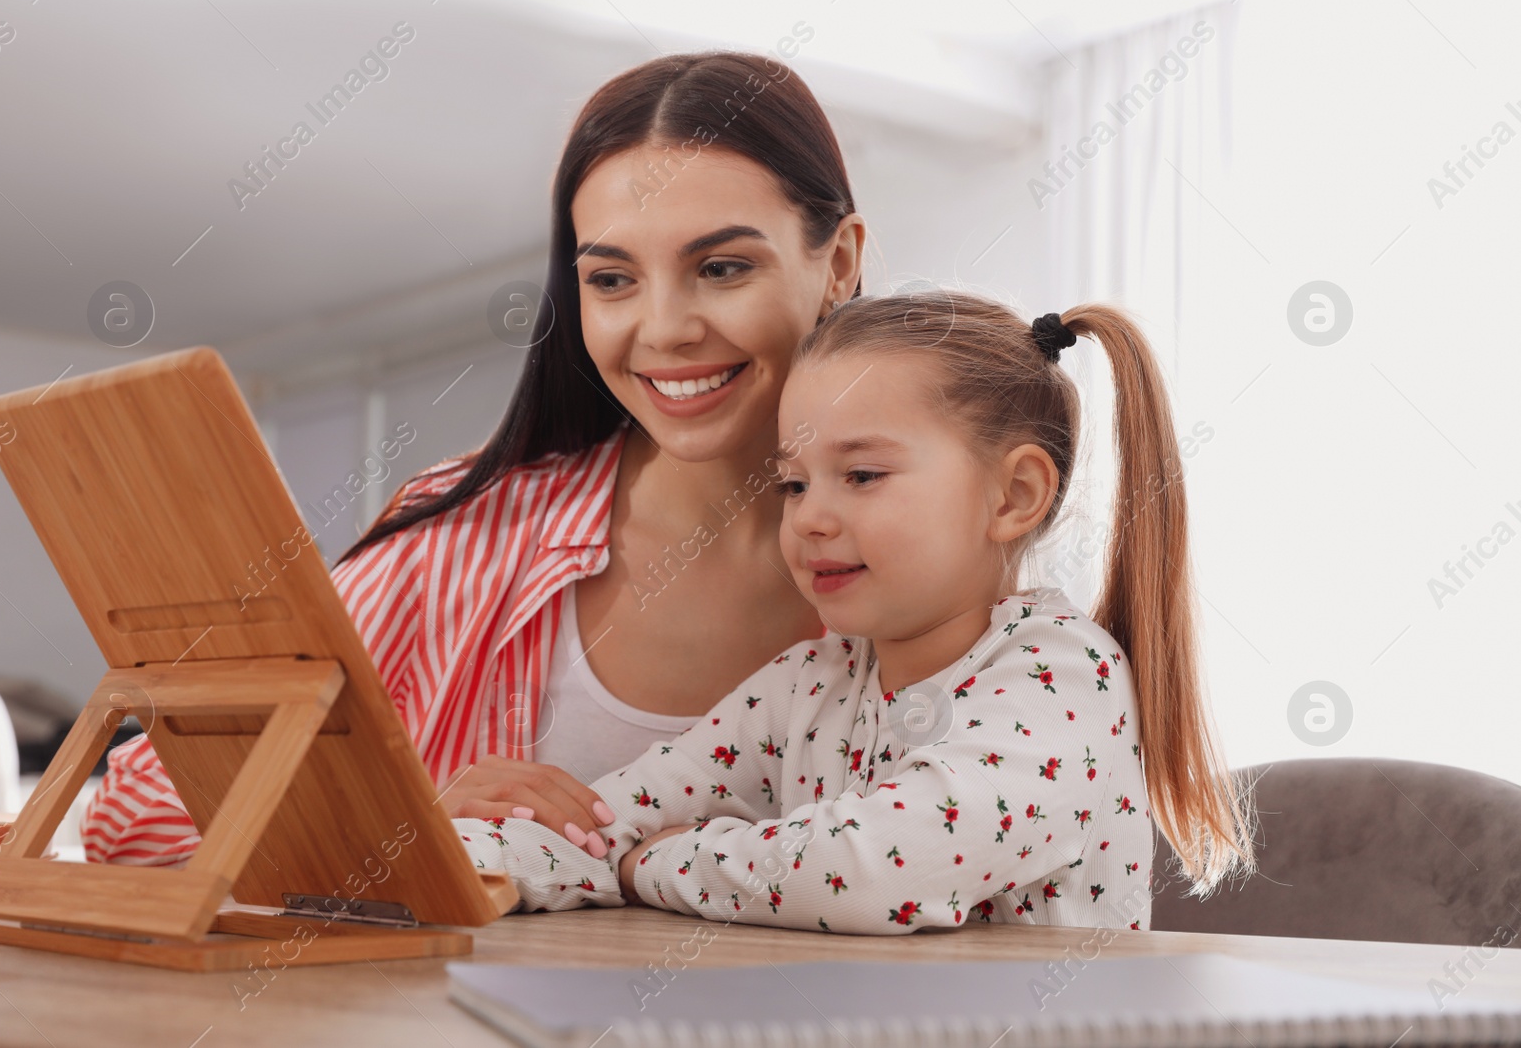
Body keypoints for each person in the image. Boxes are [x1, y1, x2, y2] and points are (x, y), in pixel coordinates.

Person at [80, 48, 866, 865]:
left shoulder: (940, 556)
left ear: (838, 261)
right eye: (612, 280)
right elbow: (133, 816)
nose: (664, 329)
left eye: (721, 267)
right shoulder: (462, 535)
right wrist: (409, 825)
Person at [448, 290, 1257, 933]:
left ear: (1014, 495)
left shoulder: (1062, 679)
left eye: (862, 475)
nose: (808, 518)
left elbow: (880, 870)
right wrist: (457, 848)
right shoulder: (805, 686)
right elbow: (602, 827)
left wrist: (650, 866)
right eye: (793, 483)